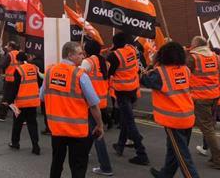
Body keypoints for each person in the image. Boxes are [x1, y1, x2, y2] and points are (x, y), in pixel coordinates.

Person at [41, 41, 104, 178]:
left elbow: (42, 96)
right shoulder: (80, 75)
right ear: (70, 55)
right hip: (77, 131)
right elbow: (93, 104)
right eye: (80, 53)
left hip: (57, 129)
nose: (83, 56)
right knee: (78, 168)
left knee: (56, 164)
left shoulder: (50, 71)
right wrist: (99, 125)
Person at [141, 41, 200, 178]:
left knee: (183, 157)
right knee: (174, 150)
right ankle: (166, 174)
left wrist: (152, 63)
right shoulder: (185, 69)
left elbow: (144, 79)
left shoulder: (160, 73)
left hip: (174, 120)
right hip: (188, 116)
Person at [106, 32, 149, 165]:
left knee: (129, 122)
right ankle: (120, 145)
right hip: (133, 89)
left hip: (122, 92)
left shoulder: (114, 56)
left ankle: (141, 153)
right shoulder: (131, 50)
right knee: (126, 119)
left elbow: (109, 72)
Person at [187, 36, 220, 170]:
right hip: (214, 95)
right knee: (210, 127)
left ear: (196, 45)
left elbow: (185, 72)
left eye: (192, 43)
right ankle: (214, 157)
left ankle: (219, 160)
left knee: (207, 129)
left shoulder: (193, 58)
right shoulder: (215, 56)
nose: (190, 45)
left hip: (201, 97)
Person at [81, 39, 113, 176]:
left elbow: (77, 76)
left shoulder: (88, 62)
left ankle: (106, 167)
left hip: (91, 102)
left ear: (87, 49)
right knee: (91, 129)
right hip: (102, 101)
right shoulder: (105, 62)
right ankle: (83, 155)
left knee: (97, 133)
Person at [6, 51, 40, 155]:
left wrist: (10, 101)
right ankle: (35, 146)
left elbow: (15, 87)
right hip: (33, 101)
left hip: (21, 102)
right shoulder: (34, 68)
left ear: (18, 60)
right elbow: (38, 82)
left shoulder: (18, 70)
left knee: (17, 123)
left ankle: (15, 143)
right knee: (32, 124)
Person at [0, 41, 20, 122]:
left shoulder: (10, 55)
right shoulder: (19, 54)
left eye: (8, 46)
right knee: (14, 98)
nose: (6, 48)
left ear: (11, 47)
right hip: (18, 79)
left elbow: (2, 64)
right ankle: (19, 115)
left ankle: (2, 115)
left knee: (5, 98)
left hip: (9, 79)